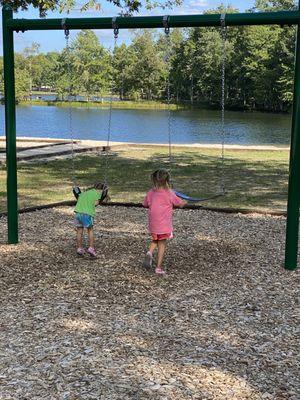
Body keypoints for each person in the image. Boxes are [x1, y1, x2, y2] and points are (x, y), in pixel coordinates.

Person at [142, 169, 186, 274]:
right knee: (162, 244)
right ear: (167, 181)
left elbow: (145, 204)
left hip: (154, 223)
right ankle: (158, 268)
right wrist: (185, 201)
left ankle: (150, 252)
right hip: (164, 224)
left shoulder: (151, 192)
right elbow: (179, 203)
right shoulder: (169, 193)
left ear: (155, 180)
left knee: (155, 239)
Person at [74, 182, 108, 257]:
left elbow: (79, 199)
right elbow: (96, 203)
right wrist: (99, 200)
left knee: (79, 231)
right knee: (90, 230)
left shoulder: (84, 193)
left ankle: (79, 249)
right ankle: (91, 248)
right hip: (87, 214)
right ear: (101, 190)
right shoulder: (97, 193)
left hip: (77, 214)